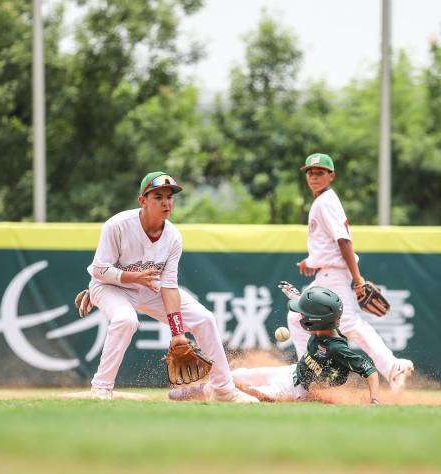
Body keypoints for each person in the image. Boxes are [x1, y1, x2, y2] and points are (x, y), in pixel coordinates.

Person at [82, 171, 258, 402]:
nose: (166, 202)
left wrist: (178, 333)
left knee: (204, 319)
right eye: (158, 197)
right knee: (126, 320)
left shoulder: (173, 236)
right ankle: (101, 387)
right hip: (111, 288)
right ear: (142, 200)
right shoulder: (118, 225)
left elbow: (169, 286)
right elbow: (98, 269)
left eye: (170, 197)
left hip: (150, 288)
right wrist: (131, 278)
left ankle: (223, 389)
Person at [288, 152, 412, 392]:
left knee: (351, 324)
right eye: (310, 172)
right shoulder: (324, 201)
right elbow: (331, 244)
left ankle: (392, 366)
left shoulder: (325, 202)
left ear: (331, 176)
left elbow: (344, 241)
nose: (314, 176)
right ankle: (308, 372)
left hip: (334, 275)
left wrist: (357, 279)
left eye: (320, 172)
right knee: (297, 316)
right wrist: (312, 261)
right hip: (326, 273)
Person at [229, 286, 380, 404]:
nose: (301, 315)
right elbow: (322, 315)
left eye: (304, 313)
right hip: (291, 372)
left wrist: (374, 400)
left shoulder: (337, 348)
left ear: (316, 321)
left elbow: (370, 371)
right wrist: (300, 299)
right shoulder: (324, 328)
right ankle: (210, 383)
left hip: (298, 391)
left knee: (252, 393)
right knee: (238, 375)